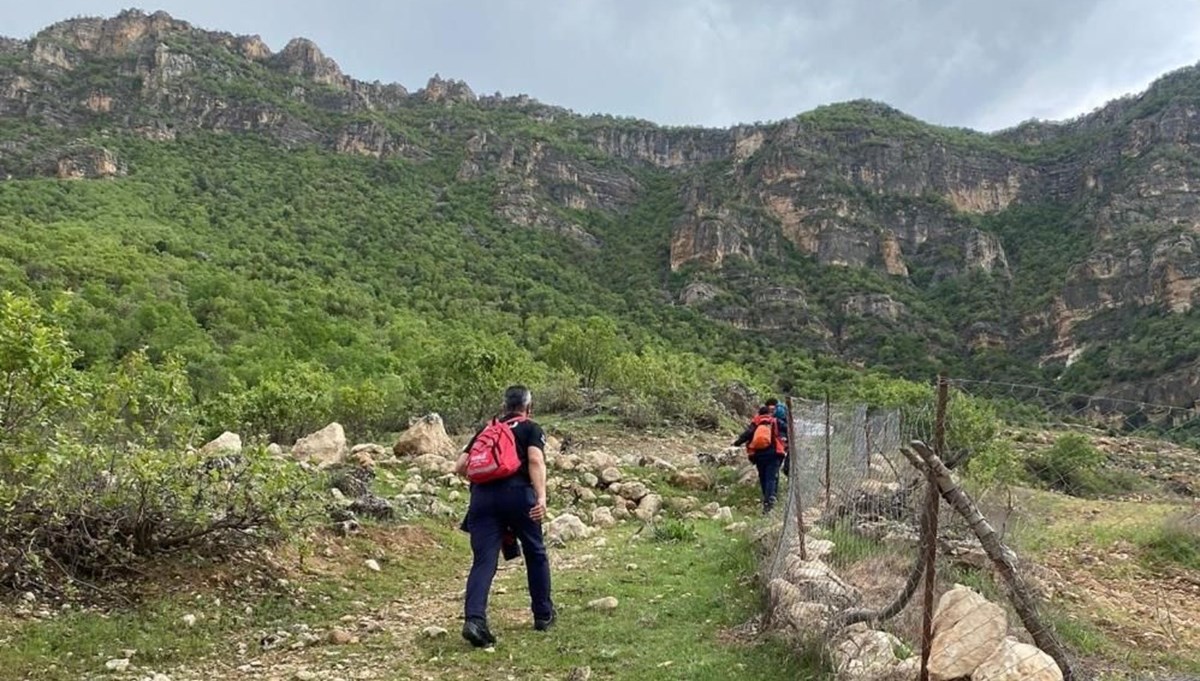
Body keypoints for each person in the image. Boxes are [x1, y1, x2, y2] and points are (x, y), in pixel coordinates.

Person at [454, 385, 554, 648]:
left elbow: (461, 466)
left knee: (484, 561)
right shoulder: (531, 428)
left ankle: (475, 620)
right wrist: (541, 497)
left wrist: (484, 483)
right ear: (528, 407)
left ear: (505, 406)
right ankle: (543, 615)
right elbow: (535, 461)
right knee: (535, 552)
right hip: (519, 495)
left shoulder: (487, 429)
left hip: (482, 500)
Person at [733, 405, 786, 513]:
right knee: (771, 477)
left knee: (763, 477)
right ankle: (770, 501)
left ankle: (766, 500)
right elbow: (788, 428)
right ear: (769, 413)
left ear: (759, 414)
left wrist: (737, 443)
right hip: (773, 453)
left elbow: (747, 435)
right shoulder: (775, 421)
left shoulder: (756, 422)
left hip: (759, 455)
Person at [766, 397, 790, 476]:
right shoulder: (783, 407)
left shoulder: (778, 410)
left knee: (779, 452)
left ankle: (780, 470)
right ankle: (784, 469)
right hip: (786, 433)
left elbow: (776, 422)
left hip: (780, 434)